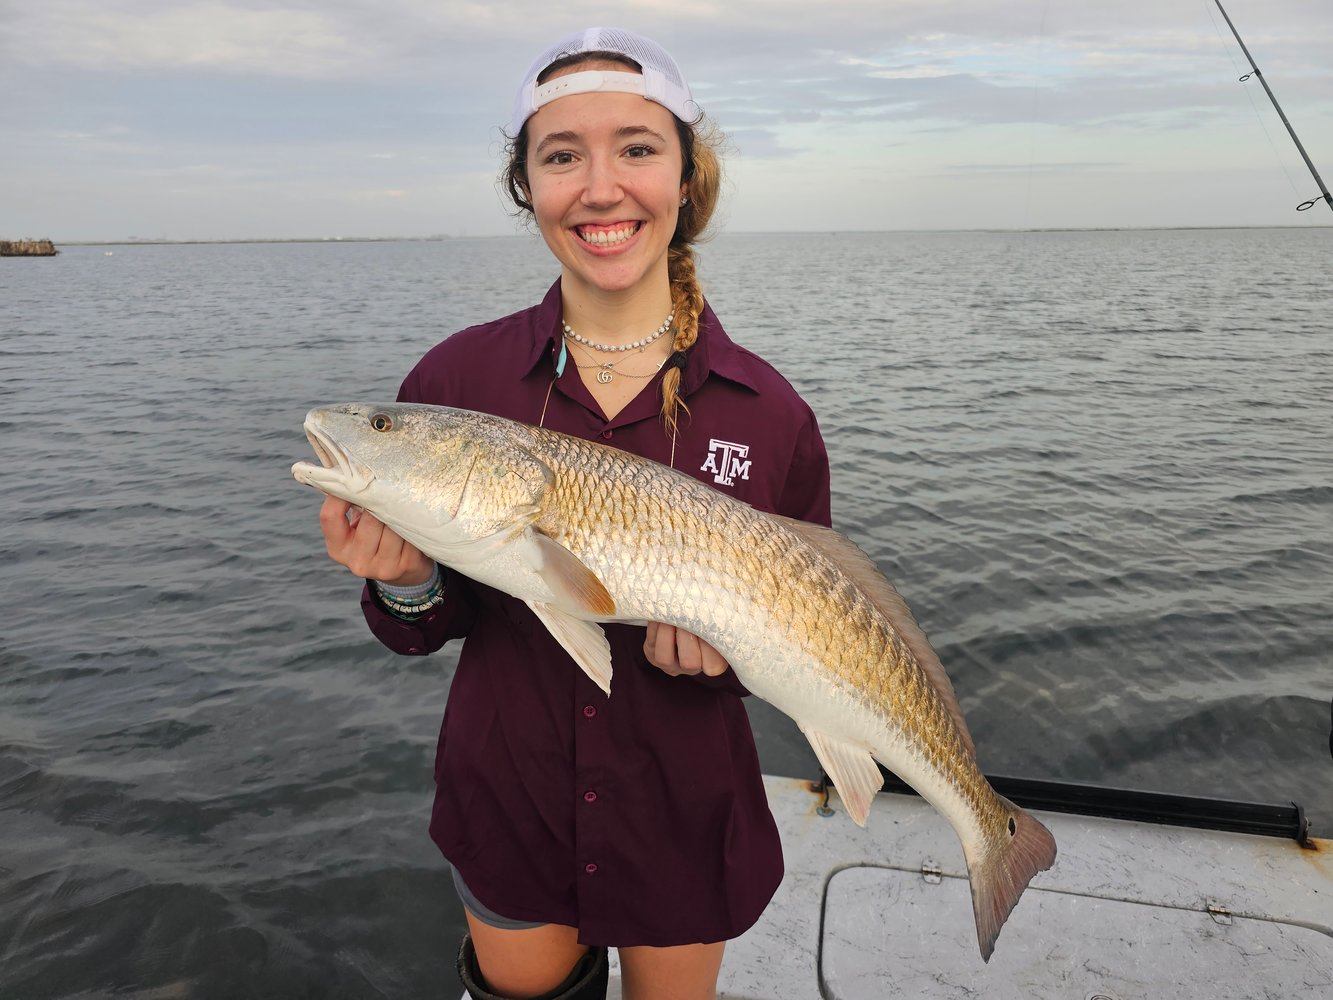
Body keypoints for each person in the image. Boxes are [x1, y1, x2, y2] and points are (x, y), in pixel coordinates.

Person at [316, 27, 831, 1000]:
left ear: (686, 177)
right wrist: (409, 582)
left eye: (636, 147)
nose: (600, 187)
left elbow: (804, 634)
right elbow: (432, 623)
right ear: (528, 188)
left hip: (683, 811)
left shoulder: (771, 415)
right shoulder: (455, 380)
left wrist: (726, 663)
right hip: (508, 801)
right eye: (561, 156)